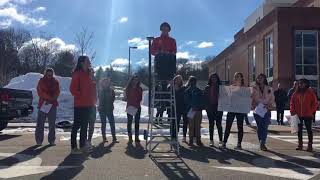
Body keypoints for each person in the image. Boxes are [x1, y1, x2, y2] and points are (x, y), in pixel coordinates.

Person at [70, 56, 97, 154]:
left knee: (85, 126)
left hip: (89, 104)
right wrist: (82, 95)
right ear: (82, 63)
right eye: (87, 61)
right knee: (76, 126)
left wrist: (93, 100)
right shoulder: (77, 74)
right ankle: (73, 148)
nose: (89, 62)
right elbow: (72, 89)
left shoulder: (88, 74)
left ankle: (82, 146)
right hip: (80, 104)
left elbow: (92, 88)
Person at [290, 79, 318, 152]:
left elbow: (315, 103)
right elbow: (292, 103)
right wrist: (292, 111)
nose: (300, 85)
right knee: (299, 130)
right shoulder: (295, 93)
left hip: (308, 115)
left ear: (306, 84)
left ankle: (310, 145)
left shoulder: (310, 92)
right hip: (298, 114)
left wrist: (311, 111)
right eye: (299, 83)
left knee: (309, 130)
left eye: (302, 83)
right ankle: (300, 144)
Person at [221, 72, 247, 150]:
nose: (236, 78)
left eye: (238, 76)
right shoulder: (231, 87)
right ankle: (224, 142)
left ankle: (239, 144)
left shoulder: (245, 88)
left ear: (241, 78)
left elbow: (247, 99)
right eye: (235, 76)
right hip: (231, 109)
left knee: (240, 127)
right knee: (228, 126)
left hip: (240, 110)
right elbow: (226, 99)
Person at [35, 68, 60, 146]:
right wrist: (48, 98)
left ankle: (51, 140)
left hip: (52, 105)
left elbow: (57, 92)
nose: (50, 76)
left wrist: (52, 99)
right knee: (40, 124)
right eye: (48, 74)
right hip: (43, 104)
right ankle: (39, 141)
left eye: (51, 74)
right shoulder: (41, 81)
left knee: (52, 124)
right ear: (45, 74)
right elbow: (40, 92)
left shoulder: (56, 82)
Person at [252, 73, 275, 151]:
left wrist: (269, 106)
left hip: (266, 110)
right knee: (259, 127)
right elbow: (251, 98)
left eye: (261, 78)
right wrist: (253, 104)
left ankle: (262, 143)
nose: (260, 79)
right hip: (257, 110)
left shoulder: (269, 88)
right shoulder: (254, 88)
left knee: (265, 127)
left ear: (264, 79)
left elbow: (272, 99)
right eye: (258, 78)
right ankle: (261, 141)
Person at [151, 22, 177, 89]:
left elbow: (174, 51)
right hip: (160, 64)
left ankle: (165, 86)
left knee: (170, 57)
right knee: (161, 56)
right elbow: (152, 51)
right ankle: (160, 87)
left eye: (166, 28)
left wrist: (168, 53)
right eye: (163, 28)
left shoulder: (172, 40)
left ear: (168, 30)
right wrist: (158, 52)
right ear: (161, 29)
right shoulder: (156, 40)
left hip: (169, 64)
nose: (165, 30)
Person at [203, 73, 223, 147]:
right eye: (212, 78)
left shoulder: (221, 87)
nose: (213, 79)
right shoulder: (207, 87)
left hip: (219, 108)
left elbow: (225, 97)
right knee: (211, 124)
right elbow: (204, 98)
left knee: (219, 124)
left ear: (217, 78)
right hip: (210, 108)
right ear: (210, 79)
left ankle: (221, 140)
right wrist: (206, 107)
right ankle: (211, 140)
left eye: (215, 78)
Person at [184, 76, 204, 146]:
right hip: (190, 110)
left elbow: (201, 101)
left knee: (198, 126)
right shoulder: (187, 91)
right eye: (191, 81)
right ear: (189, 82)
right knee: (191, 126)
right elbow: (186, 101)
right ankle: (191, 140)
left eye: (194, 81)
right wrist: (192, 107)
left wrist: (198, 107)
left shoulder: (199, 91)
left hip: (198, 110)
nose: (193, 82)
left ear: (196, 82)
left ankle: (198, 140)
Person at [98, 77, 118, 143]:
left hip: (109, 109)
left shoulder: (111, 90)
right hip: (102, 110)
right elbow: (100, 100)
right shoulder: (100, 90)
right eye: (104, 82)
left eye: (107, 82)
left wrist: (110, 105)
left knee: (112, 124)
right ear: (102, 83)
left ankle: (114, 138)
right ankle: (104, 138)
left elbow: (113, 99)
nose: (106, 83)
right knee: (103, 124)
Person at [125, 75, 143, 143]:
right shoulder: (128, 88)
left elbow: (140, 98)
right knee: (129, 123)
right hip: (130, 107)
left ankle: (136, 137)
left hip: (137, 107)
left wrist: (136, 101)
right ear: (132, 80)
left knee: (137, 123)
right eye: (134, 79)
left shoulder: (140, 88)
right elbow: (128, 97)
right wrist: (134, 101)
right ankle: (130, 137)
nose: (135, 81)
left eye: (137, 80)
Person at [170, 75, 188, 141]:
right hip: (173, 106)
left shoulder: (183, 88)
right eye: (177, 79)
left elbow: (184, 97)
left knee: (177, 122)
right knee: (173, 122)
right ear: (174, 79)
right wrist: (172, 86)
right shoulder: (171, 87)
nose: (178, 80)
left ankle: (176, 135)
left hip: (181, 107)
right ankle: (172, 135)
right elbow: (168, 94)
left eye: (180, 79)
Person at [87, 67, 98, 149]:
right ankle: (84, 142)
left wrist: (95, 102)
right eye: (91, 72)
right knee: (84, 125)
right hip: (85, 106)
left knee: (91, 125)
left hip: (92, 106)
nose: (92, 74)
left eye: (93, 73)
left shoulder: (94, 83)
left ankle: (89, 141)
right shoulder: (85, 82)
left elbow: (95, 94)